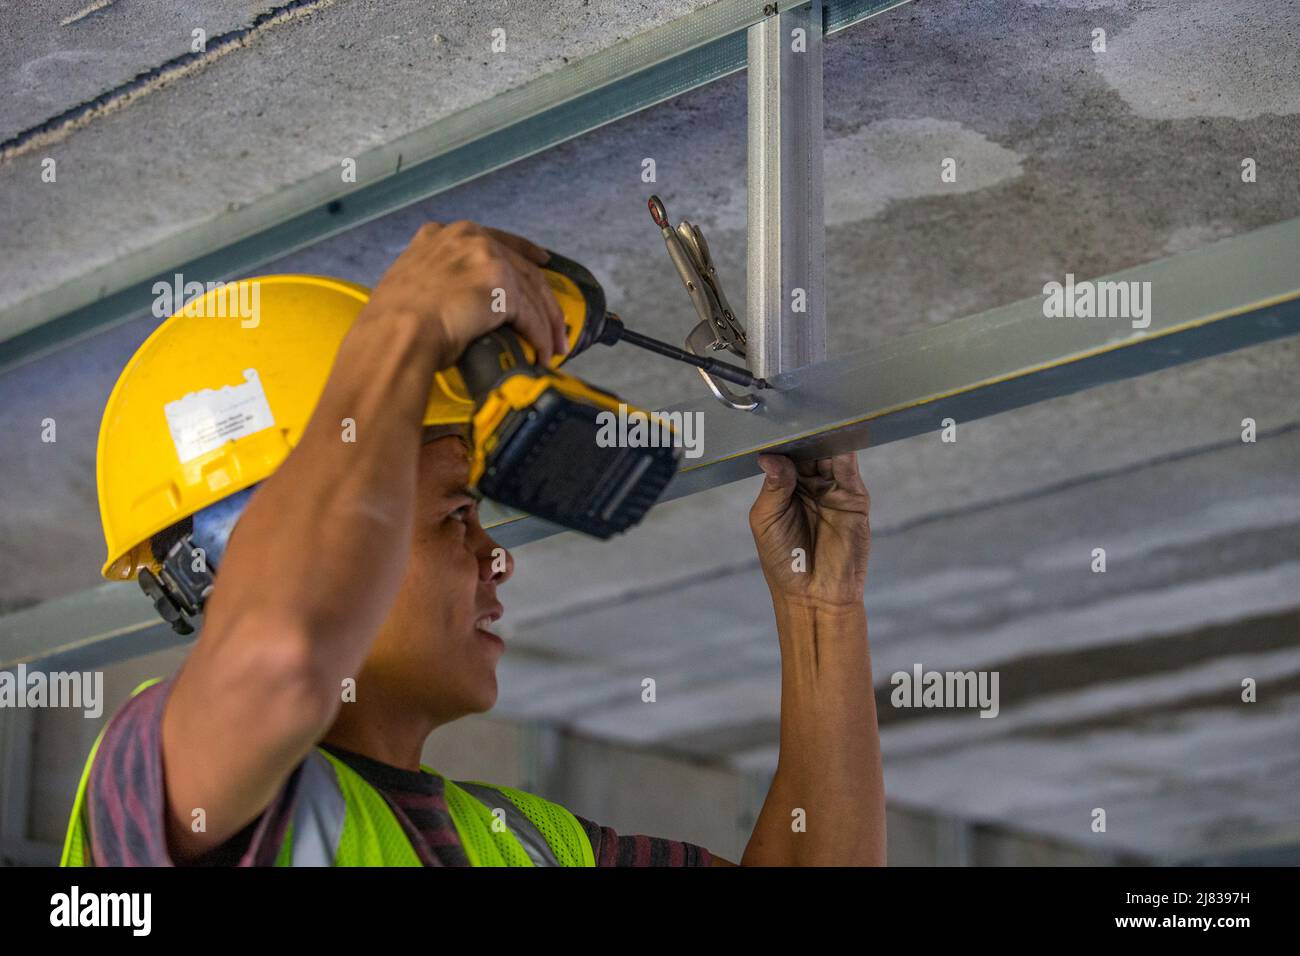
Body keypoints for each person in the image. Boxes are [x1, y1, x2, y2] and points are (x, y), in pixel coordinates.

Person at [63, 221, 885, 866]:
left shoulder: (515, 846)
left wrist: (823, 609)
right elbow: (277, 653)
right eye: (456, 513)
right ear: (256, 545)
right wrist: (404, 329)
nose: (499, 557)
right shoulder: (155, 791)